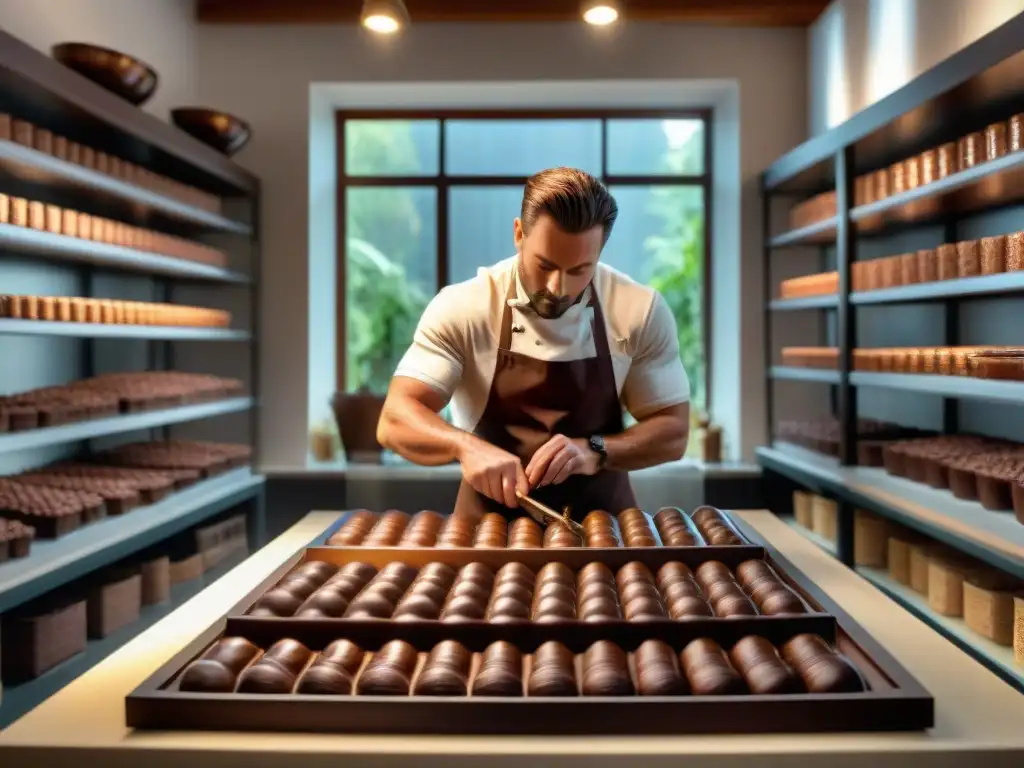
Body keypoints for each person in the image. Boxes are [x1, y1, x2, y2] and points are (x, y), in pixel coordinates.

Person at [376, 166, 691, 520]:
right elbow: (395, 419)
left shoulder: (639, 310)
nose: (558, 289)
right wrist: (464, 446)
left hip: (605, 534)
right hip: (485, 534)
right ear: (518, 234)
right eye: (545, 265)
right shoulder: (464, 307)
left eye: (579, 271)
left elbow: (674, 432)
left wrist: (596, 450)